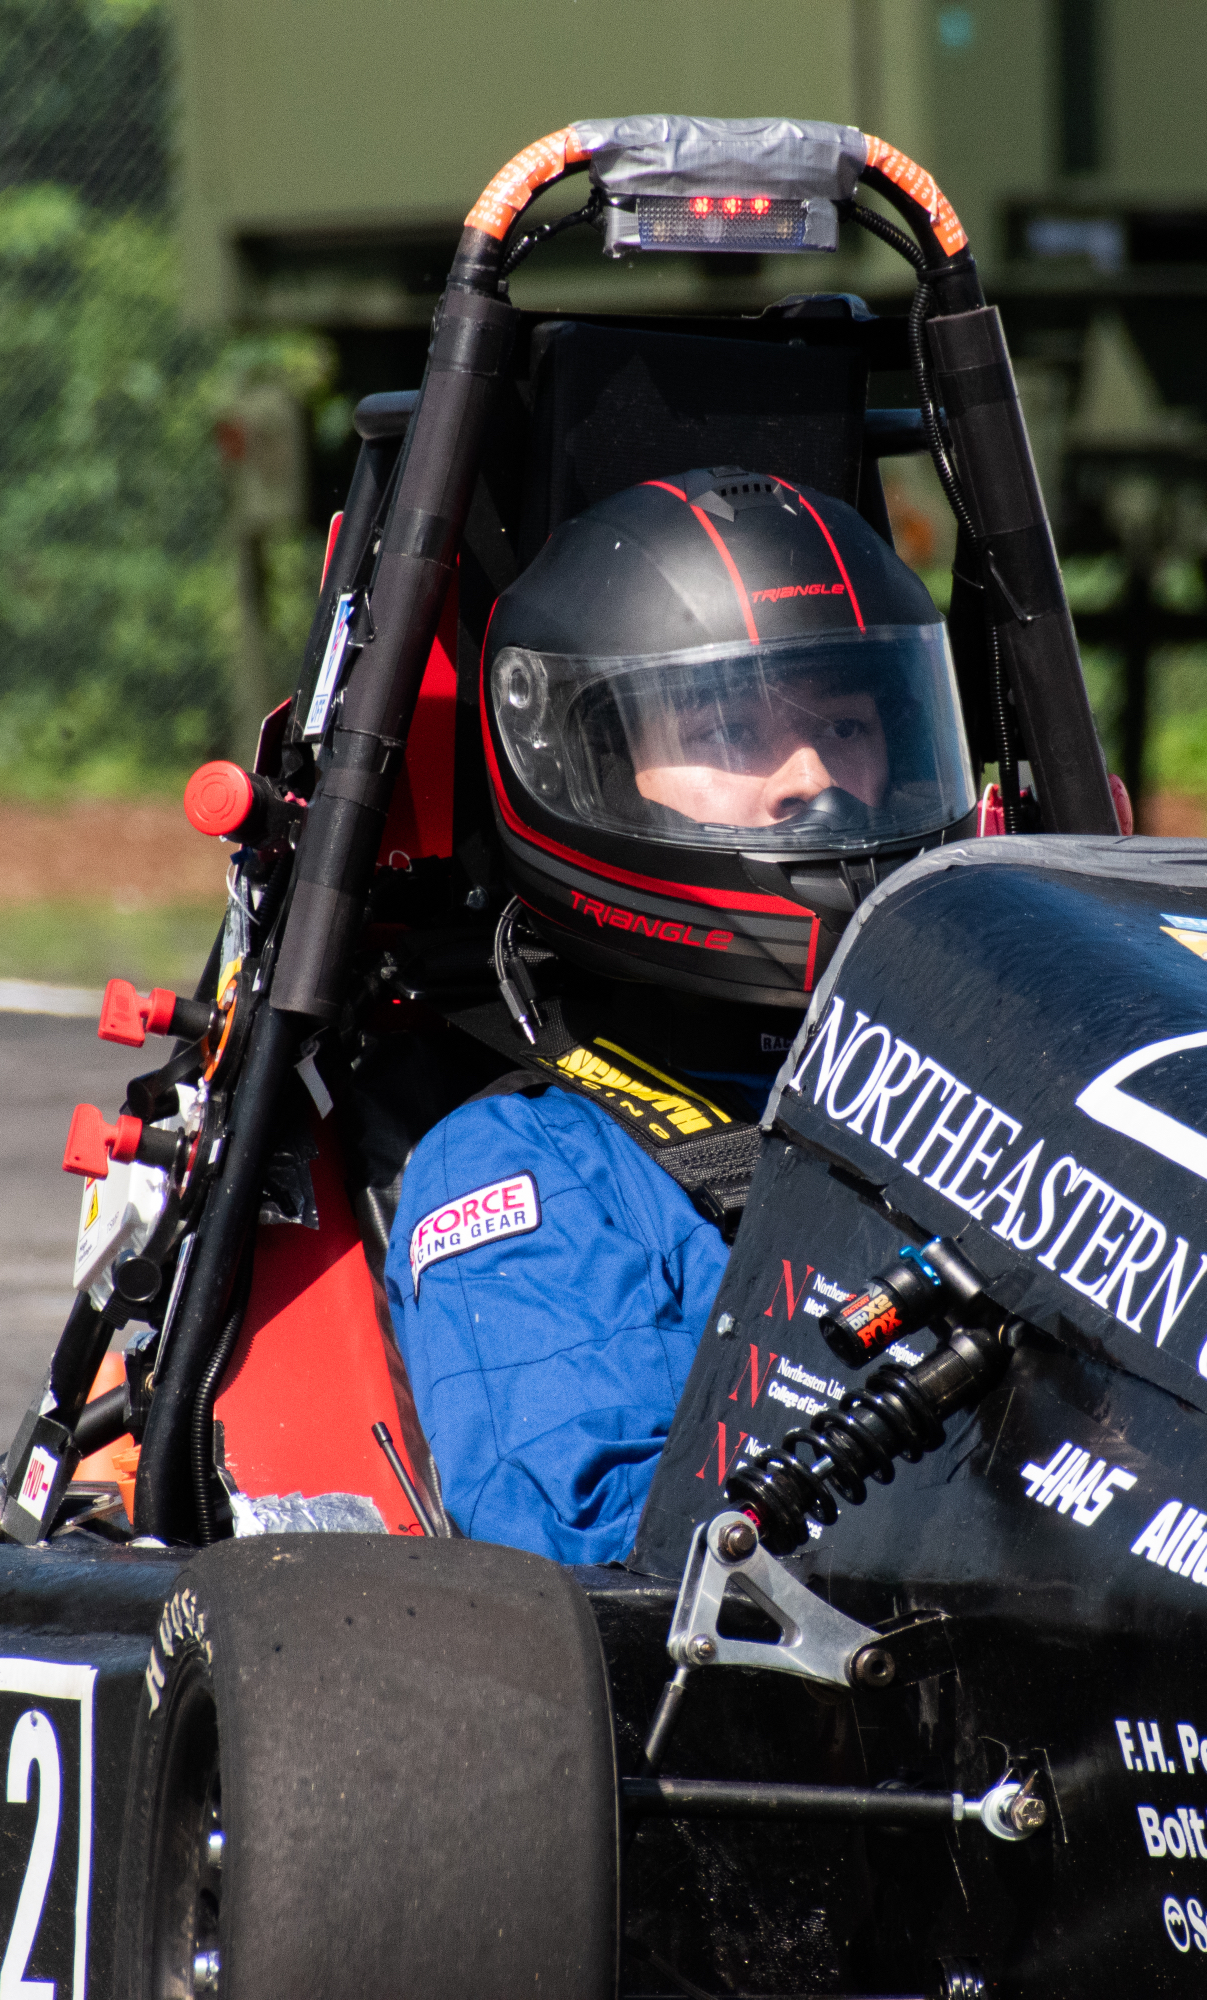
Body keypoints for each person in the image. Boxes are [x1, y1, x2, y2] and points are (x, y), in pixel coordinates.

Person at [384, 466, 982, 1561]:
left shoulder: (987, 1080)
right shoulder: (521, 1161)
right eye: (727, 729)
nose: (812, 778)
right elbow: (594, 1543)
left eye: (846, 724)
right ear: (595, 765)